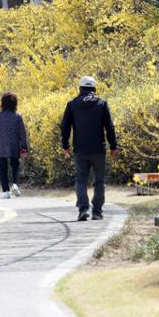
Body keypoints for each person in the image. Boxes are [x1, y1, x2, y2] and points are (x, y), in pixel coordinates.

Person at [60, 77, 118, 221]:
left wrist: (65, 146)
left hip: (80, 149)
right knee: (99, 181)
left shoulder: (72, 104)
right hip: (98, 148)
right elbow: (109, 127)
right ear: (94, 88)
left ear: (80, 88)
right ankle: (97, 212)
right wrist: (113, 146)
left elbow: (65, 127)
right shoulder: (101, 104)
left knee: (81, 180)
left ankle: (83, 209)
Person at [0, 93, 29, 199]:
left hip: (0, 146)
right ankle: (15, 184)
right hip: (14, 145)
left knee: (2, 168)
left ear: (3, 103)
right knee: (15, 165)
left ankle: (5, 192)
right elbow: (22, 133)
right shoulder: (18, 117)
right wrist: (24, 147)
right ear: (15, 103)